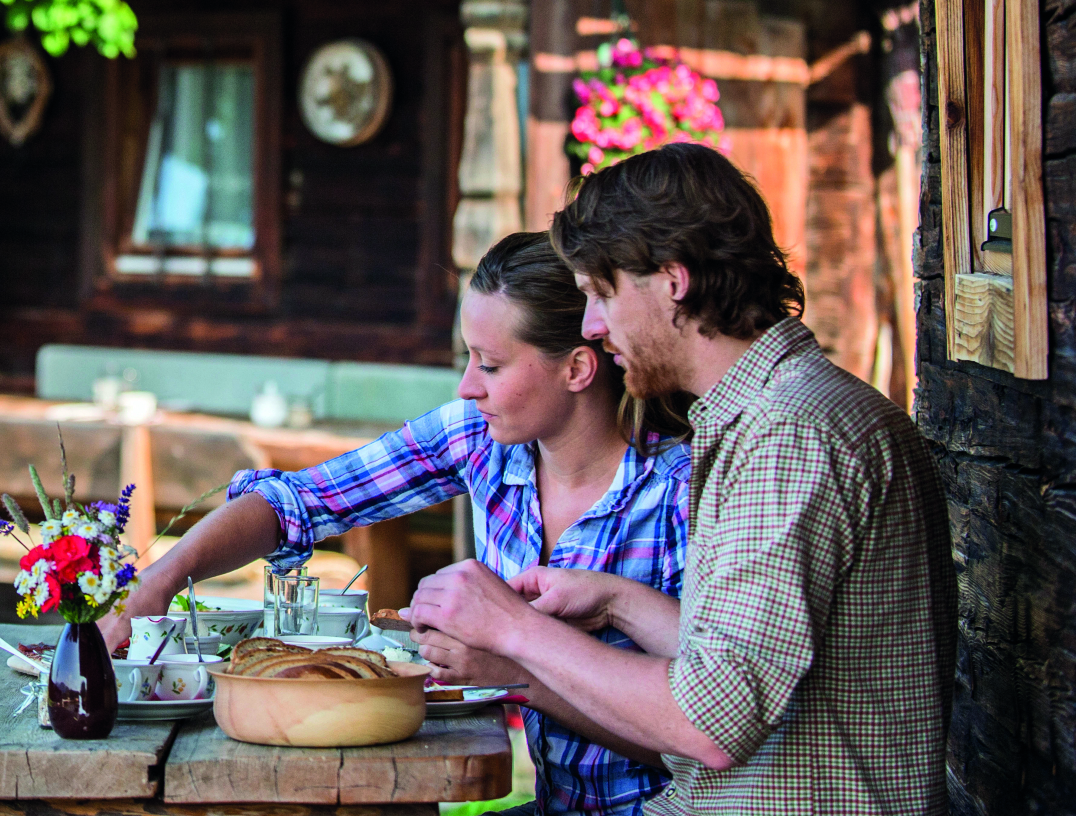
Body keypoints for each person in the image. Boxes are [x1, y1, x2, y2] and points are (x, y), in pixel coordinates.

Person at [406, 143, 953, 815]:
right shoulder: (763, 414)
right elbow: (745, 661)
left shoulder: (790, 433)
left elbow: (710, 723)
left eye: (602, 292)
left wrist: (512, 629)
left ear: (672, 280)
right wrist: (616, 601)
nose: (591, 326)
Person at [102, 231, 691, 815]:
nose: (467, 386)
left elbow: (694, 741)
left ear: (579, 368)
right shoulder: (480, 437)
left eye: (489, 364)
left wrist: (513, 674)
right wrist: (159, 582)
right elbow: (296, 502)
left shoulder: (679, 490)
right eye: (467, 359)